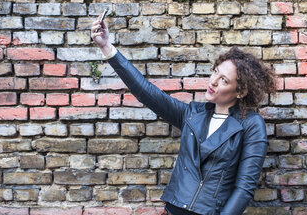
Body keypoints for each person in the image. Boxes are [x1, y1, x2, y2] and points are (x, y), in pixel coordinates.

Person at [91, 16, 276, 215]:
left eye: (223, 80)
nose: (213, 81)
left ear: (240, 92)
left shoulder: (250, 124)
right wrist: (106, 47)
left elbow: (244, 188)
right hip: (173, 209)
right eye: (215, 72)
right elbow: (146, 92)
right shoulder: (192, 114)